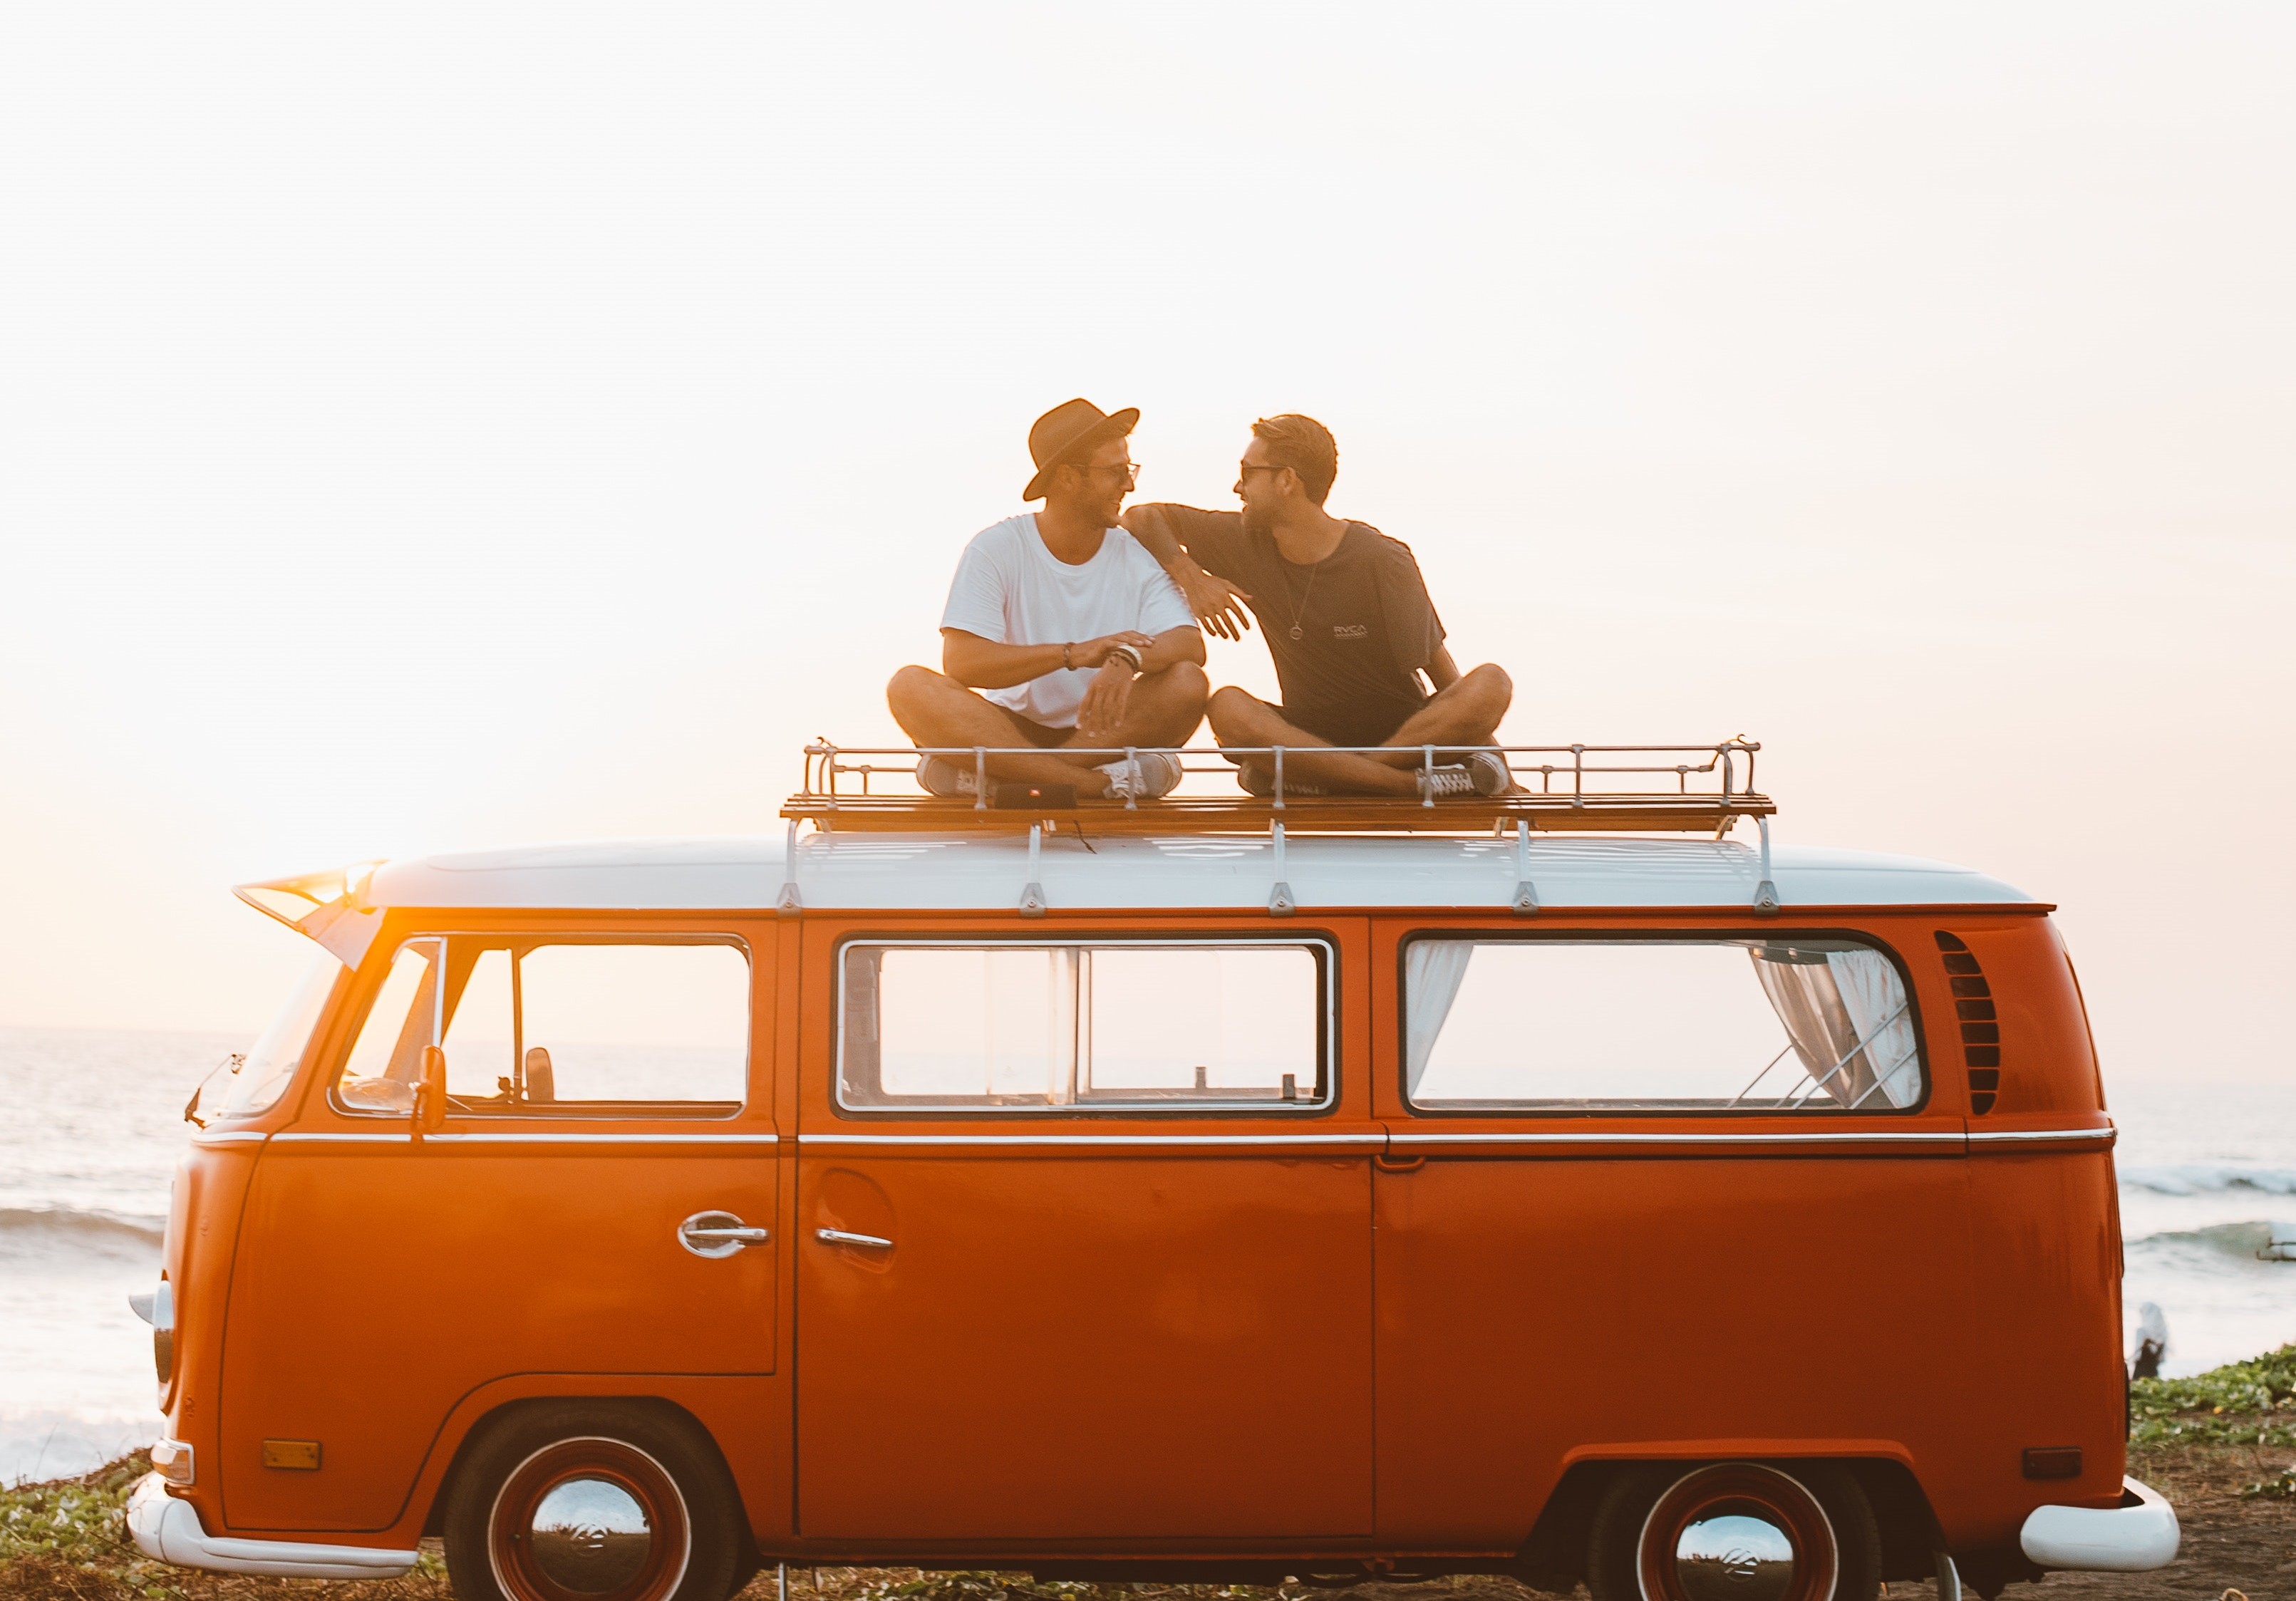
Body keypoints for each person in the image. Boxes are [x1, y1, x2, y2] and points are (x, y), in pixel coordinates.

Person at [1122, 414, 1512, 798]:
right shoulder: (1243, 539)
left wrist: (1494, 757)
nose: (1238, 487)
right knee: (1227, 706)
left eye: (1248, 472)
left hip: (1404, 734)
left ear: (1287, 480)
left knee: (1492, 683)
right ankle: (1403, 786)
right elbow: (1142, 516)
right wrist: (1194, 580)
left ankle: (1336, 778)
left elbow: (1440, 671)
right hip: (1307, 735)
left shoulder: (1381, 559)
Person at [887, 399, 1209, 801]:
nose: (1129, 485)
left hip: (1103, 730)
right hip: (1006, 729)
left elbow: (1188, 645)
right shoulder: (996, 548)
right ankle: (1095, 784)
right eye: (1116, 472)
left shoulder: (1138, 554)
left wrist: (1128, 657)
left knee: (1186, 683)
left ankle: (1013, 778)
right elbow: (962, 663)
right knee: (909, 686)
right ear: (1067, 479)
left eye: (1129, 470)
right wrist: (1073, 653)